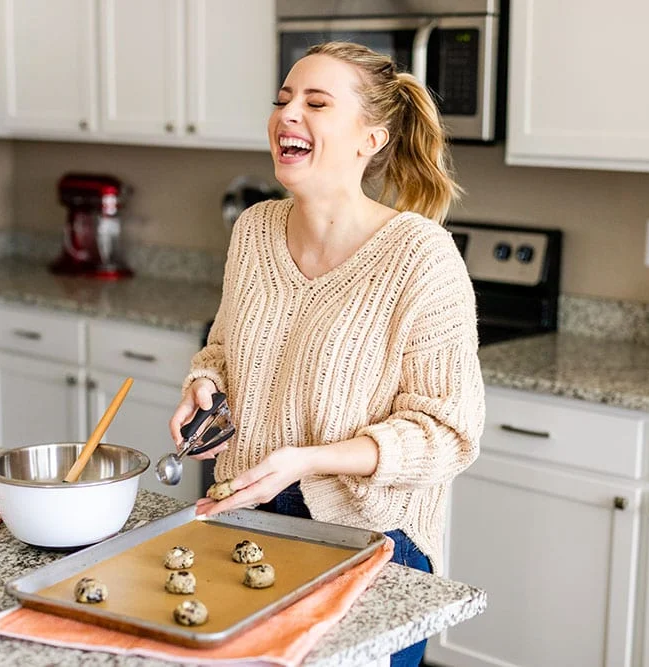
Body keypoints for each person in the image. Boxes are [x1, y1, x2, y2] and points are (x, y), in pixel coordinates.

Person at [169, 41, 485, 666]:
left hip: (371, 537)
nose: (289, 115)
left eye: (316, 102)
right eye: (283, 101)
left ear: (371, 138)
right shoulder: (254, 231)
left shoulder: (420, 257)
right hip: (250, 514)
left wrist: (307, 460)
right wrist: (204, 389)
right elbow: (225, 350)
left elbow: (448, 433)